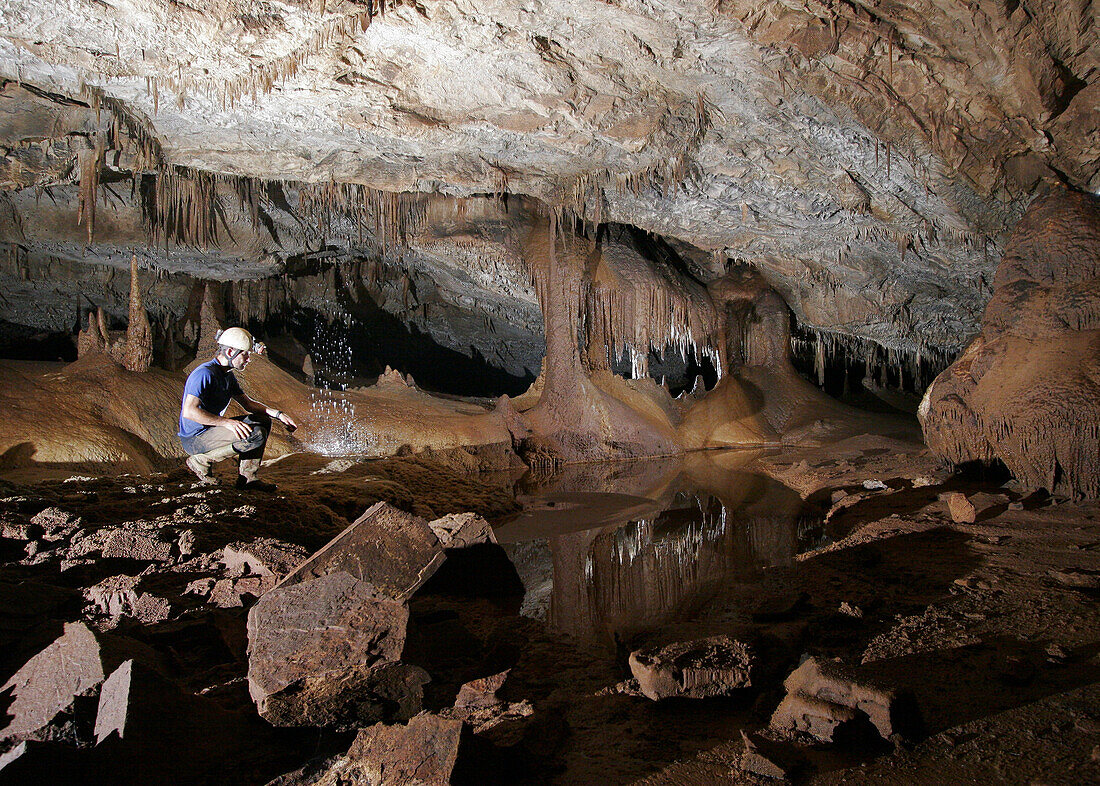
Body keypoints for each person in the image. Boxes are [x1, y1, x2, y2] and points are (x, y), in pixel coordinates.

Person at [178, 327, 299, 491]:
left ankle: (248, 479)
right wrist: (227, 423)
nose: (249, 359)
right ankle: (200, 461)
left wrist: (278, 414)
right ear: (229, 351)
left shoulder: (227, 375)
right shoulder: (204, 374)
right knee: (254, 435)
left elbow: (248, 404)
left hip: (212, 431)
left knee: (262, 420)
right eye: (245, 354)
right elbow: (190, 411)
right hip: (195, 438)